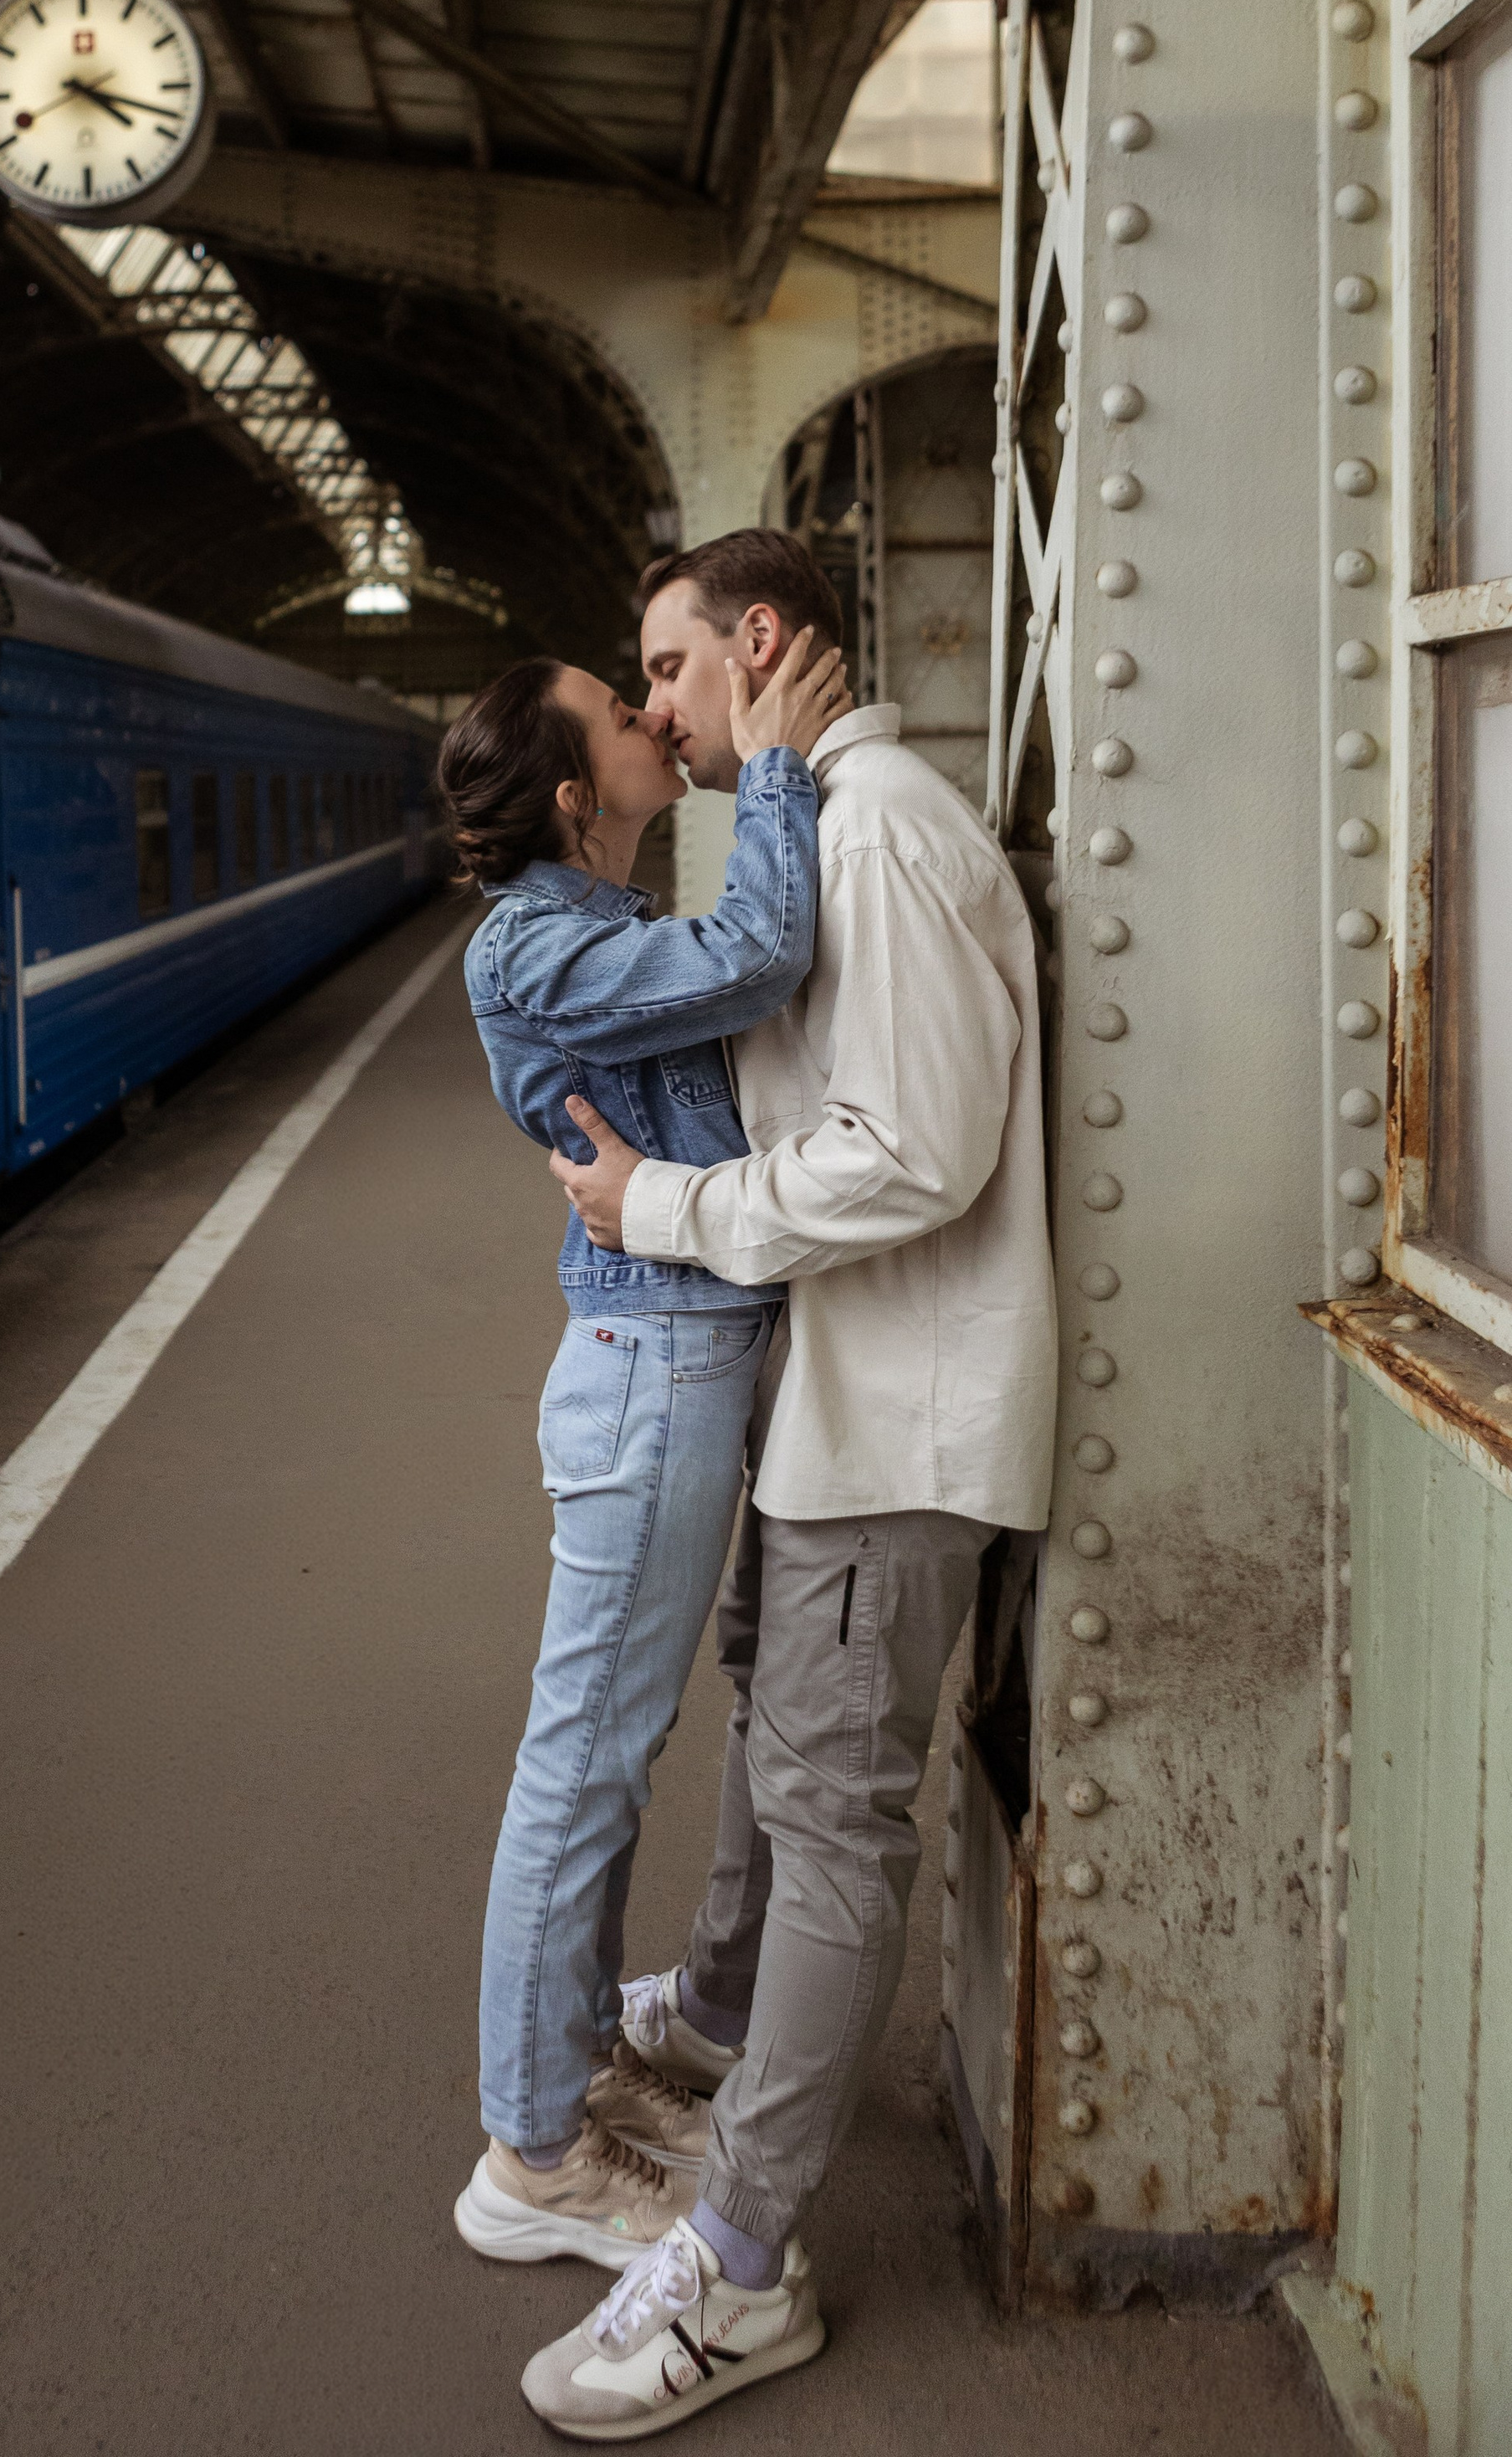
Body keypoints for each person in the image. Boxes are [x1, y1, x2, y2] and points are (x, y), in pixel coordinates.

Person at [519, 527, 1056, 2442]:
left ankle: (736, 2270)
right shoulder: (829, 819)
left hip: (892, 1418)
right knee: (781, 1755)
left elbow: (908, 1148)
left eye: (664, 669)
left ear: (756, 641)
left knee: (831, 1818)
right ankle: (731, 2032)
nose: (650, 707)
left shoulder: (881, 829)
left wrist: (660, 1207)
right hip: (835, 1406)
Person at [436, 628, 850, 2279]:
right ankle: (530, 2152)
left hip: (674, 1366)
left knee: (605, 1749)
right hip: (646, 1374)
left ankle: (574, 2081)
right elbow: (759, 950)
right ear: (568, 789)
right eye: (623, 712)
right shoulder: (534, 945)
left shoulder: (589, 924)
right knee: (583, 1761)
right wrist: (781, 761)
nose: (650, 713)